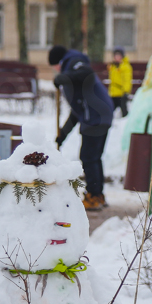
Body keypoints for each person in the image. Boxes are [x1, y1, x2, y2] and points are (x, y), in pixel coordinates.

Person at [49, 45, 114, 210]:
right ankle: (98, 195)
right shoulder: (71, 68)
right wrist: (62, 135)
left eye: (55, 66)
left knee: (88, 157)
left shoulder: (74, 61)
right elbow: (76, 112)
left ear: (59, 62)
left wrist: (64, 77)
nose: (56, 70)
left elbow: (87, 73)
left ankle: (93, 196)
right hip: (99, 114)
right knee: (94, 157)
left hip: (95, 115)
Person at [108, 47, 132, 117]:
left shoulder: (125, 66)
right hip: (113, 93)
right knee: (110, 109)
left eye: (119, 55)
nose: (117, 57)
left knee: (124, 110)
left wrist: (126, 91)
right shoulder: (113, 66)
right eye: (115, 55)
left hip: (121, 93)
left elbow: (127, 79)